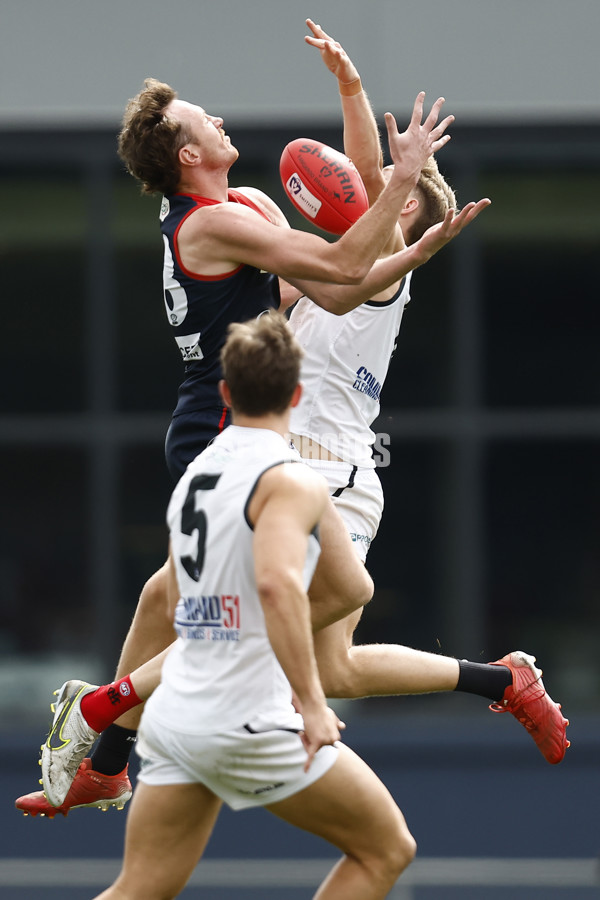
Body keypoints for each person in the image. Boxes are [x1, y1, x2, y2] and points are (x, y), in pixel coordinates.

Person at [18, 36, 558, 819]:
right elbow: (342, 247)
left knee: (242, 624)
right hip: (265, 447)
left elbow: (354, 242)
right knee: (201, 608)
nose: (358, 185)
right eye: (362, 183)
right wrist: (357, 99)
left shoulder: (362, 260)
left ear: (405, 214)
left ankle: (104, 719)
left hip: (321, 464)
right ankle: (107, 742)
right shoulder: (256, 232)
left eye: (388, 194)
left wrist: (389, 162)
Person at [89, 313, 418, 900]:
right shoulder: (293, 478)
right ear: (297, 394)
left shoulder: (196, 472)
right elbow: (292, 588)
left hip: (174, 719)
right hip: (244, 718)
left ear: (224, 393)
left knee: (139, 888)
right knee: (387, 850)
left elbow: (176, 594)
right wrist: (314, 705)